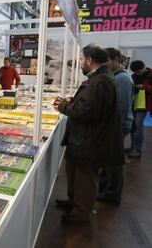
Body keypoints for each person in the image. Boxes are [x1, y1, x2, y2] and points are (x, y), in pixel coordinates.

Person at [54, 44, 124, 224]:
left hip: (89, 140)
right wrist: (73, 100)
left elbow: (86, 111)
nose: (81, 63)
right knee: (74, 174)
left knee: (84, 179)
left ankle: (80, 214)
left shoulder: (100, 81)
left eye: (82, 59)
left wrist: (63, 107)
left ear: (90, 60)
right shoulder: (99, 78)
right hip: (82, 139)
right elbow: (89, 103)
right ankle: (73, 203)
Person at [97, 48, 134, 205]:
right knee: (109, 160)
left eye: (107, 61)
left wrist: (110, 127)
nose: (105, 64)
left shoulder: (123, 79)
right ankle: (106, 190)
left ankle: (112, 194)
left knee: (114, 162)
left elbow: (122, 107)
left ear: (116, 59)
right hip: (114, 125)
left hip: (118, 126)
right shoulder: (117, 77)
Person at [127, 60, 152, 157]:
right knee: (133, 125)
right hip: (134, 103)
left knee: (138, 125)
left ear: (143, 67)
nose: (137, 74)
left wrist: (144, 87)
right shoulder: (133, 76)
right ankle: (133, 147)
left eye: (138, 71)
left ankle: (137, 150)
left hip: (144, 104)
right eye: (135, 72)